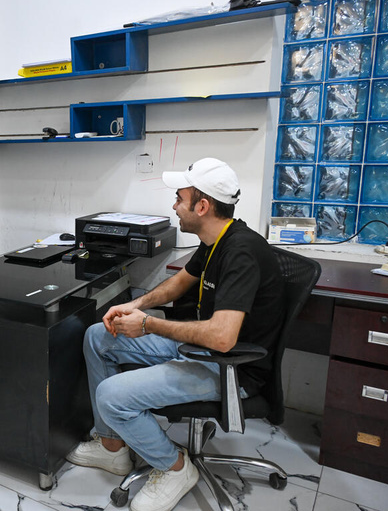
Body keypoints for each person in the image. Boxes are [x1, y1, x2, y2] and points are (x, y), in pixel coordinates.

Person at [66, 157, 285, 511]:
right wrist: (137, 307)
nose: (174, 206)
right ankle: (113, 448)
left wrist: (149, 324)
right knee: (97, 337)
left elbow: (223, 339)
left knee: (111, 395)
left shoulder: (241, 252)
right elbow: (180, 282)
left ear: (202, 206)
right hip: (196, 345)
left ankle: (175, 468)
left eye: (180, 199)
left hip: (229, 366)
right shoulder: (216, 239)